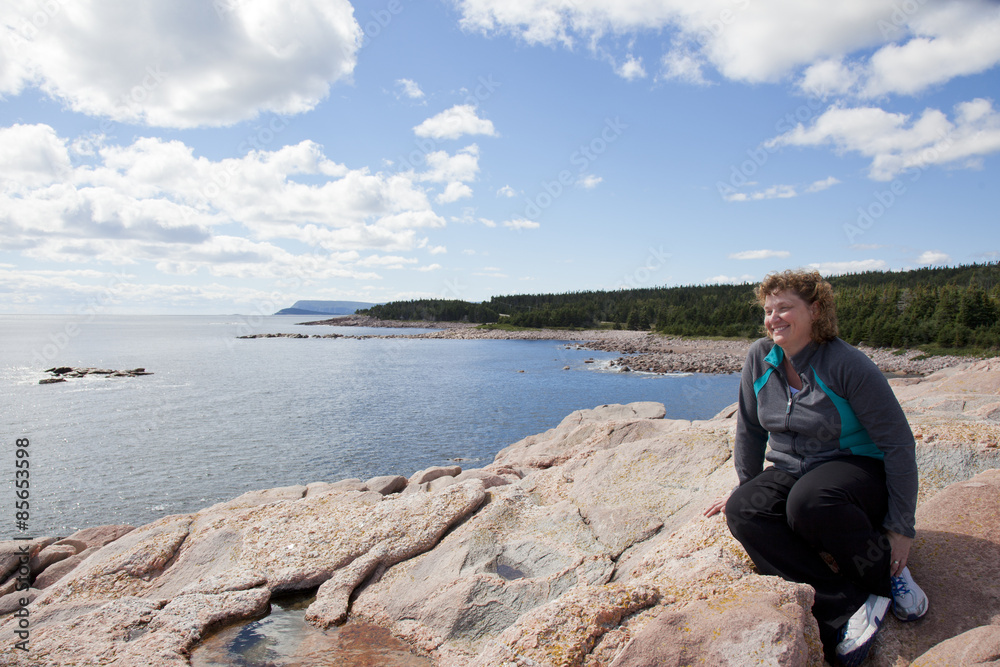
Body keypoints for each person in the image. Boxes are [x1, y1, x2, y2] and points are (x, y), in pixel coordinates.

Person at [703, 269, 928, 666]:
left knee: (810, 502)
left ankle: (886, 574)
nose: (774, 318)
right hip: (791, 467)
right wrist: (745, 485)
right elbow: (750, 430)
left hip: (856, 470)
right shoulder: (759, 358)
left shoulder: (846, 363)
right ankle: (848, 605)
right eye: (769, 310)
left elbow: (898, 444)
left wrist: (901, 527)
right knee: (744, 510)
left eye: (785, 308)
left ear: (816, 310)